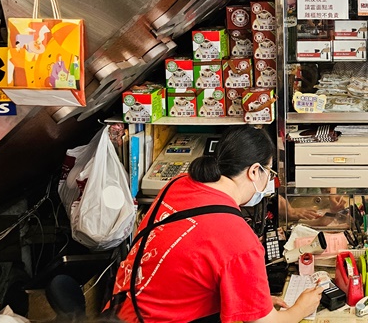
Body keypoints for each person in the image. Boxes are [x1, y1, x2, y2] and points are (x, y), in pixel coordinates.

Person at [109, 126, 323, 323]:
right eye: (269, 172)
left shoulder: (179, 183)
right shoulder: (238, 238)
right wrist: (301, 309)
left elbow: (190, 263)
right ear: (254, 171)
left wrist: (254, 299)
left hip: (119, 309)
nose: (268, 181)